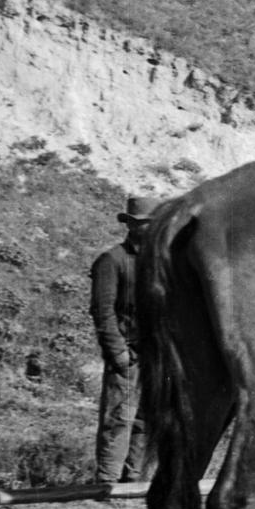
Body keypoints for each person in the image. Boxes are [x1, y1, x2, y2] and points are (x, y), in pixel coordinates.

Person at [90, 193, 159, 485]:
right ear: (129, 225)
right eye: (141, 223)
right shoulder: (112, 260)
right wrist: (117, 352)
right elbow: (102, 311)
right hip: (127, 353)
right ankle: (107, 481)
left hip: (156, 355)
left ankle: (135, 479)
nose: (147, 228)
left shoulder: (160, 262)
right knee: (119, 418)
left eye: (152, 223)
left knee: (148, 419)